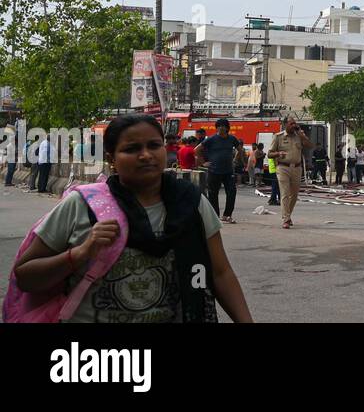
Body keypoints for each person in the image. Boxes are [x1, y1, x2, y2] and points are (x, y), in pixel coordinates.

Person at [12, 113, 253, 323]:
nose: (146, 155)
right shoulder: (82, 206)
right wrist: (80, 253)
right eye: (131, 149)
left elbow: (220, 273)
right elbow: (25, 276)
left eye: (154, 145)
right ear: (112, 159)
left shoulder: (192, 203)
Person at [267, 117, 312, 228]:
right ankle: (286, 219)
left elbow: (310, 146)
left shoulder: (299, 136)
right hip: (283, 168)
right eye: (291, 123)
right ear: (285, 124)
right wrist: (278, 154)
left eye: (295, 123)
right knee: (285, 193)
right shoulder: (278, 137)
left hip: (297, 168)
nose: (294, 125)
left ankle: (288, 215)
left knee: (294, 195)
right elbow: (269, 154)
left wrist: (302, 136)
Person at [196, 119, 240, 224]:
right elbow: (197, 150)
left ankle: (227, 215)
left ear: (227, 128)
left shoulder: (232, 139)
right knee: (213, 194)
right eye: (219, 126)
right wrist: (203, 163)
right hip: (214, 171)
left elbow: (240, 149)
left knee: (231, 192)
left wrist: (235, 159)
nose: (221, 128)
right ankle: (215, 216)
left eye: (223, 126)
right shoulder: (211, 139)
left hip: (228, 171)